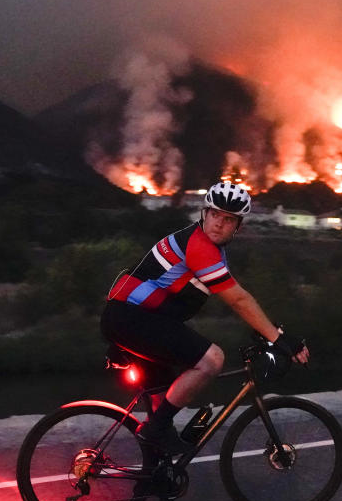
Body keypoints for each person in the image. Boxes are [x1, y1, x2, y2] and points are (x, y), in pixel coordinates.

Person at [101, 181, 310, 455]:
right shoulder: (198, 246)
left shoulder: (210, 250)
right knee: (212, 360)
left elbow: (233, 297)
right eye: (214, 214)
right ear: (204, 213)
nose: (219, 223)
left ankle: (153, 476)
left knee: (161, 410)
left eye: (228, 219)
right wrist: (279, 339)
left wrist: (265, 329)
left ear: (238, 226)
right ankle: (154, 431)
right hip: (132, 318)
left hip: (136, 320)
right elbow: (238, 299)